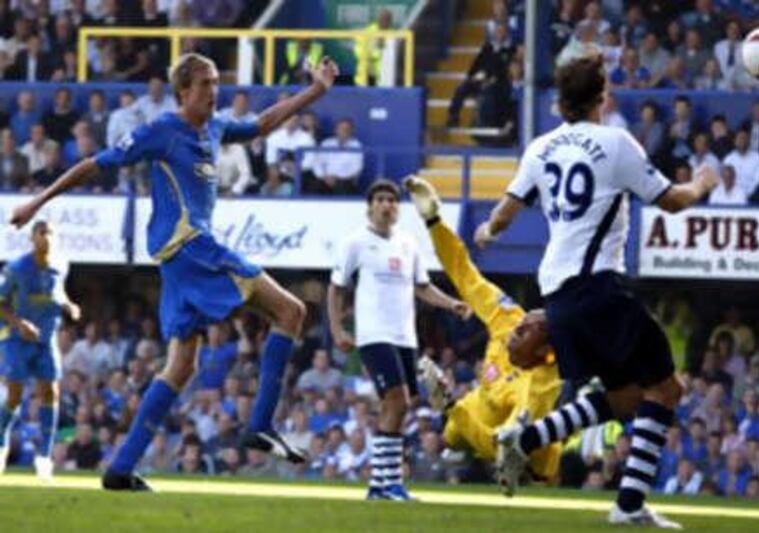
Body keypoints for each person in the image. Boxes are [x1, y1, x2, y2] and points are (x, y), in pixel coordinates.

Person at [9, 53, 340, 491]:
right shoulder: (161, 131)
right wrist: (37, 202)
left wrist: (315, 90)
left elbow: (261, 124)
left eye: (215, 82)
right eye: (205, 83)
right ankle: (259, 424)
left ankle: (120, 468)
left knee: (181, 366)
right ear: (183, 91)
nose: (213, 90)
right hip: (193, 248)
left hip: (176, 263)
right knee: (291, 312)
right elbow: (96, 164)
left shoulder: (216, 127)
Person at [473, 55, 718, 528]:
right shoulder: (615, 144)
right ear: (602, 94)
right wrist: (703, 182)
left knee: (626, 398)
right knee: (666, 389)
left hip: (559, 298)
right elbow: (672, 201)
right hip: (599, 289)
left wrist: (485, 233)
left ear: (561, 98)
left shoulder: (540, 148)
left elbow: (503, 214)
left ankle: (522, 441)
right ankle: (627, 507)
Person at [404, 176, 563, 484]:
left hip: (518, 445)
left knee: (526, 448)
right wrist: (434, 220)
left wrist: (451, 407)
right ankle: (456, 438)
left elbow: (497, 442)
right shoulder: (508, 317)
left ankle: (525, 473)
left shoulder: (540, 384)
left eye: (528, 332)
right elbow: (464, 272)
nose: (517, 330)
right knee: (453, 430)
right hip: (481, 405)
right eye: (522, 322)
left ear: (545, 351)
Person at [327, 179, 471, 501]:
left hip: (405, 335)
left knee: (402, 405)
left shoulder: (408, 243)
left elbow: (422, 286)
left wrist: (451, 303)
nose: (387, 204)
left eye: (392, 200)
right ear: (370, 207)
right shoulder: (356, 243)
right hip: (374, 334)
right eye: (380, 199)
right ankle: (385, 483)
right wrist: (338, 330)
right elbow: (336, 287)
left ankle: (384, 483)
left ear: (398, 208)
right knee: (397, 400)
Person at [0, 220, 81, 480]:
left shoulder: (61, 265)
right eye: (42, 232)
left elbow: (59, 294)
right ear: (32, 238)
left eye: (50, 233)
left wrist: (70, 305)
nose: (47, 237)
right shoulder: (17, 268)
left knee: (52, 393)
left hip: (46, 341)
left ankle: (44, 457)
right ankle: (1, 445)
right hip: (17, 340)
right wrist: (19, 323)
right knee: (14, 395)